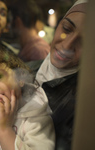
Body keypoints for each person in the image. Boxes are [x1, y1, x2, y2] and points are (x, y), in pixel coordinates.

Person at [35, 0, 88, 149]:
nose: (67, 45)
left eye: (85, 42)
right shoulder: (28, 69)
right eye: (66, 28)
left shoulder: (82, 104)